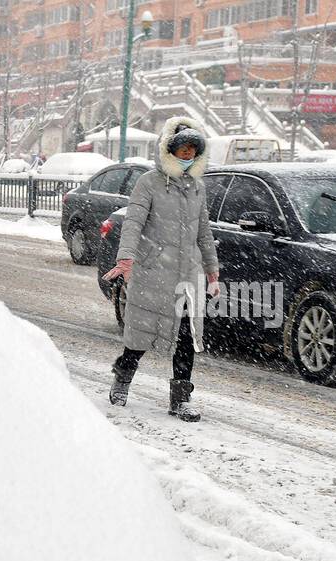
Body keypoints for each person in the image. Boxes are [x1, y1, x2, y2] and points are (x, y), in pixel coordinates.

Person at [103, 116, 219, 423]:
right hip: (154, 272)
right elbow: (133, 222)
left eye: (193, 149)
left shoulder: (197, 188)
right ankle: (123, 376)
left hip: (187, 276)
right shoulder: (149, 183)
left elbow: (203, 231)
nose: (187, 154)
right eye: (182, 148)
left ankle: (180, 400)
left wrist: (211, 269)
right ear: (169, 149)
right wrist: (125, 258)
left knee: (185, 337)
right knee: (140, 336)